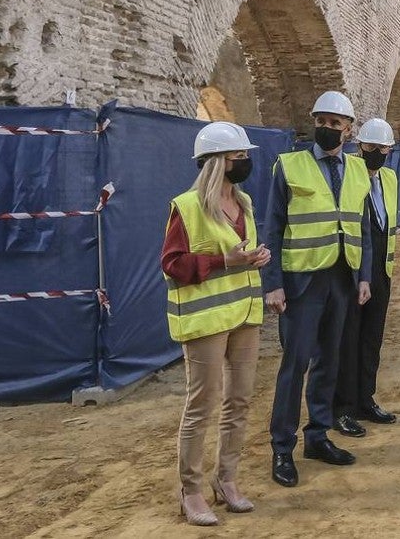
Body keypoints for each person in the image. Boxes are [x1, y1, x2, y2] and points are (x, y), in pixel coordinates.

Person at [263, 91, 372, 488]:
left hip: (342, 279)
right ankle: (281, 447)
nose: (326, 128)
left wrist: (364, 276)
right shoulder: (289, 166)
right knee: (296, 365)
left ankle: (318, 436)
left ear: (349, 128)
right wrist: (272, 284)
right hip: (302, 283)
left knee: (330, 361)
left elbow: (362, 228)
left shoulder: (359, 171)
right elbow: (271, 229)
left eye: (333, 123)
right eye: (320, 121)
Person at [162, 121, 269, 526]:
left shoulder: (245, 204)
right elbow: (171, 265)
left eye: (245, 156)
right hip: (206, 321)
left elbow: (240, 254)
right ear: (215, 163)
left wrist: (257, 258)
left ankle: (227, 481)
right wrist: (226, 260)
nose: (244, 162)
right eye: (237, 156)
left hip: (244, 315)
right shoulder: (187, 207)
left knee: (238, 401)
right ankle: (190, 491)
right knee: (201, 406)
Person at [332, 118, 400, 438]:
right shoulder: (348, 174)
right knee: (348, 341)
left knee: (372, 338)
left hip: (381, 272)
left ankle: (365, 399)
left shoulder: (390, 178)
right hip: (353, 271)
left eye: (383, 148)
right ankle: (343, 408)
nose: (377, 153)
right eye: (371, 147)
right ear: (359, 147)